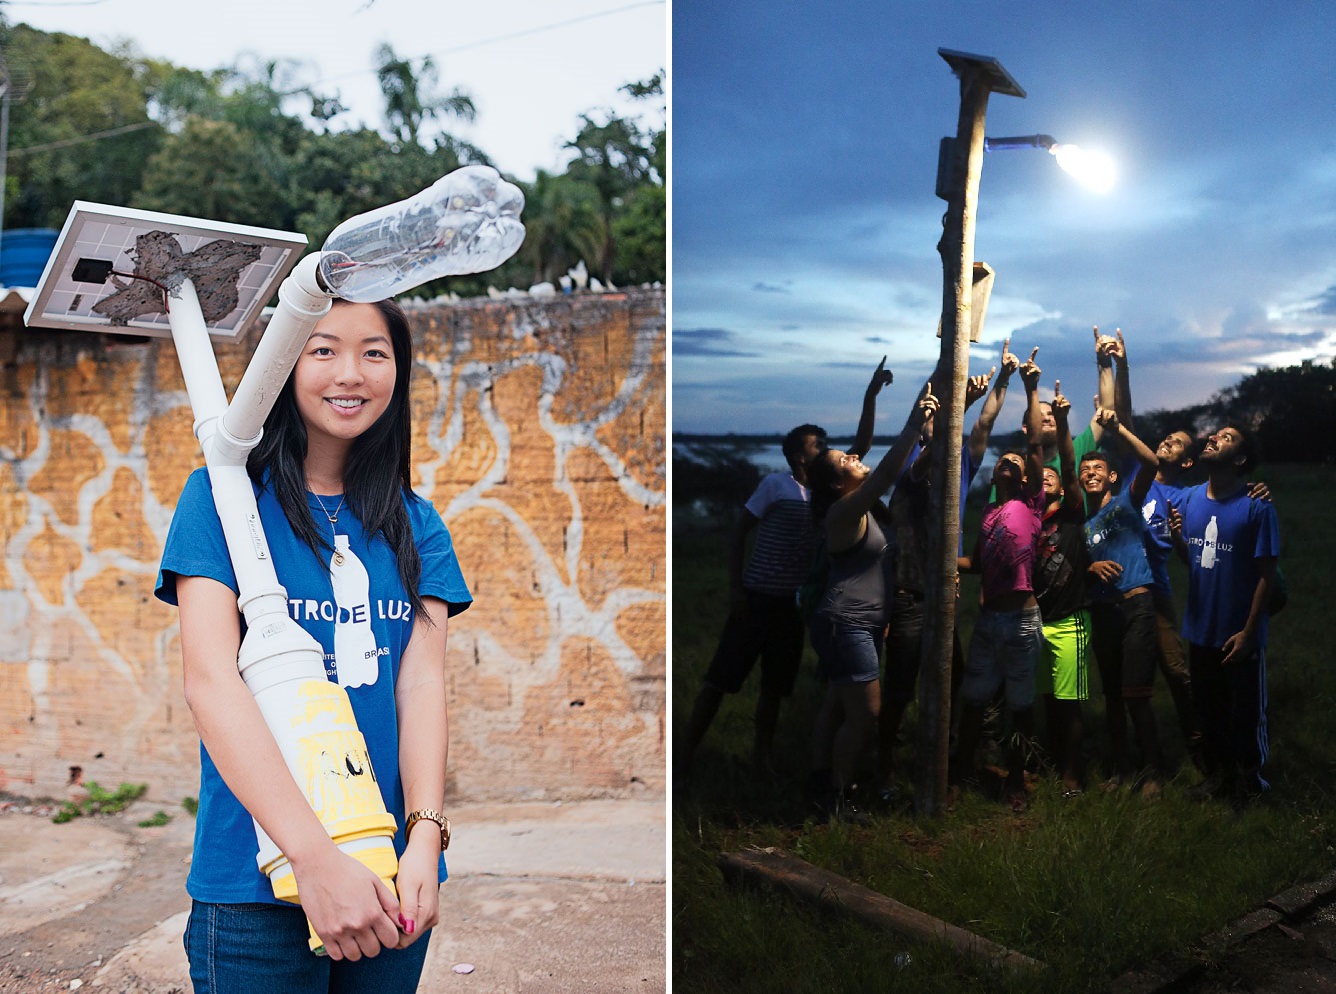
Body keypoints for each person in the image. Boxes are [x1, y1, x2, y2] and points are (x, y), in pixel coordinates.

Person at [156, 299, 470, 990]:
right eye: (323, 349)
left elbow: (419, 687)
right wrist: (313, 858)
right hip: (254, 882)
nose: (350, 373)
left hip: (390, 872)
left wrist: (424, 836)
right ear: (283, 362)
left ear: (398, 370)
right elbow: (211, 683)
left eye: (374, 352)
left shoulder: (418, 525)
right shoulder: (220, 500)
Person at [874, 341, 1014, 799]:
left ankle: (946, 764)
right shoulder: (914, 471)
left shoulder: (960, 466)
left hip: (942, 595)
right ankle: (884, 769)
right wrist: (955, 402)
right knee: (900, 688)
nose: (938, 427)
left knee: (952, 679)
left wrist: (1001, 382)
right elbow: (934, 445)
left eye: (940, 421)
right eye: (931, 422)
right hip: (911, 594)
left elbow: (984, 424)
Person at [806, 380, 938, 820]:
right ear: (835, 482)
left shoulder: (857, 511)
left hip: (852, 621)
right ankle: (843, 797)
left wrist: (926, 393)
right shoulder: (841, 513)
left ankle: (821, 784)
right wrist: (916, 423)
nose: (855, 457)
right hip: (846, 622)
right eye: (846, 460)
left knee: (835, 707)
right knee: (866, 716)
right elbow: (883, 474)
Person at [675, 422, 829, 789]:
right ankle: (684, 758)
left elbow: (862, 446)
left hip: (788, 610)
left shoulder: (823, 495)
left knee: (774, 690)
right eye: (816, 444)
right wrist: (736, 589)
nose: (823, 448)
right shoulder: (775, 485)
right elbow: (738, 531)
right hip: (754, 601)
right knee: (718, 682)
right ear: (798, 456)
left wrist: (871, 395)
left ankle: (761, 763)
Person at [953, 348, 1047, 811]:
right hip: (989, 621)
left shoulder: (1031, 502)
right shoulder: (990, 510)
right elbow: (976, 562)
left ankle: (1016, 778)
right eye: (1002, 459)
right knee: (973, 700)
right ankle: (959, 772)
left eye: (1016, 458)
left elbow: (1032, 445)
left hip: (1023, 622)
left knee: (1020, 705)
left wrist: (1029, 388)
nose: (1008, 460)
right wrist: (946, 566)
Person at [1170, 425, 1280, 807]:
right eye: (1215, 433)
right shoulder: (1192, 501)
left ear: (1240, 459)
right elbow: (1195, 563)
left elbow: (1267, 576)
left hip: (1240, 635)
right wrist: (1180, 541)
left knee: (1246, 715)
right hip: (1200, 629)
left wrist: (1249, 634)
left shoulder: (1257, 505)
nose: (1214, 437)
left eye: (1228, 437)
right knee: (1210, 712)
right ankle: (1218, 778)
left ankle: (1251, 785)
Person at [1078, 408, 1165, 795]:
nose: (1091, 473)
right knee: (1113, 695)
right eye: (1085, 470)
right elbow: (1078, 568)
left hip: (1136, 605)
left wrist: (1117, 429)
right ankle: (1123, 771)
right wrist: (1089, 570)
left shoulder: (1127, 501)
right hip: (1104, 612)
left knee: (1136, 695)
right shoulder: (1083, 525)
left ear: (1111, 476)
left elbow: (1151, 461)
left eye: (1098, 468)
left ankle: (1154, 773)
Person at [1032, 381, 1093, 795]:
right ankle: (1050, 762)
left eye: (1056, 475)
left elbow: (1068, 466)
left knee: (1070, 700)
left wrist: (1065, 418)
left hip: (1070, 618)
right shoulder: (1029, 515)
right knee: (1047, 699)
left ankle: (1073, 774)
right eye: (1043, 475)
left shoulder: (1071, 510)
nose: (1050, 476)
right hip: (1035, 617)